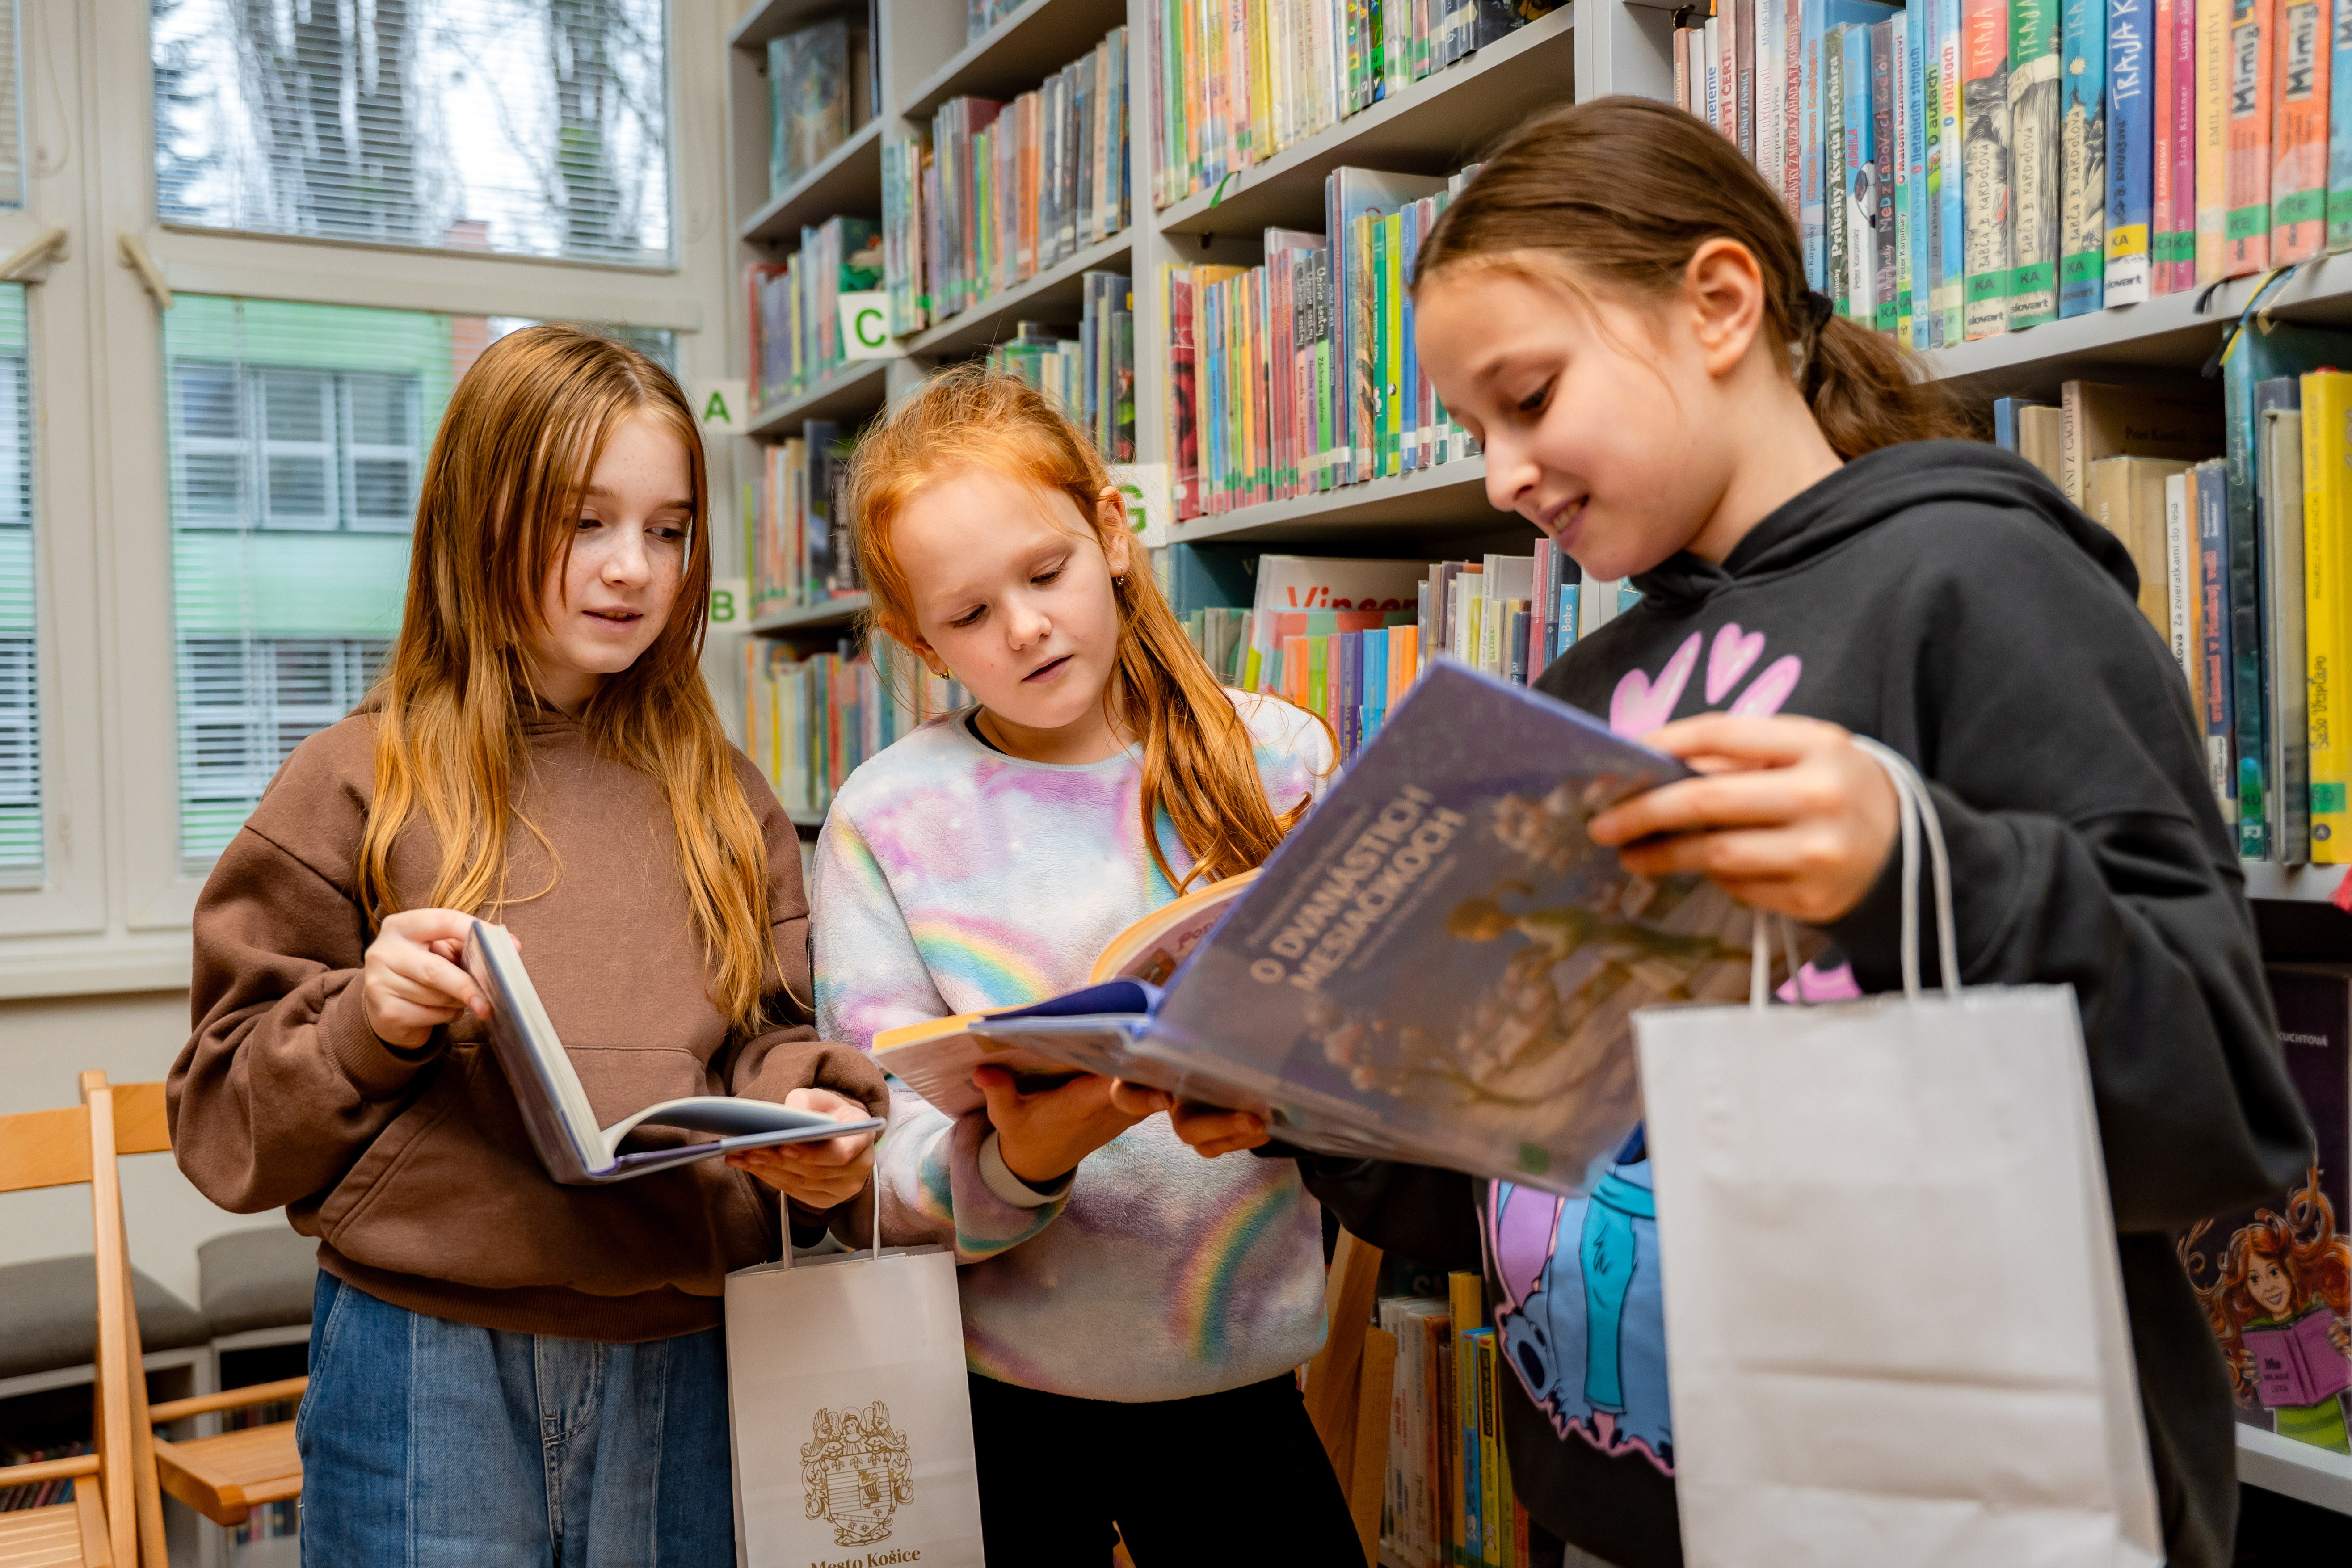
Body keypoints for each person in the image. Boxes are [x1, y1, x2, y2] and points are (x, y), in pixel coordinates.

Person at [1162, 97, 2316, 1568]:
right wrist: (1310, 1105)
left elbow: (2215, 1102)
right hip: (1620, 1509)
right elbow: (1526, 1185)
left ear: (1719, 302)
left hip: (1946, 1519)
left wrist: (1913, 870)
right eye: (1474, 432)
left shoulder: (1977, 586)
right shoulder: (1582, 694)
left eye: (1530, 398)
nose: (1503, 474)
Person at [168, 325, 886, 1566]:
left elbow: (769, 1034)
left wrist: (807, 1118)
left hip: (685, 1355)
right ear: (476, 522)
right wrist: (366, 1023)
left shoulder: (727, 797)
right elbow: (222, 1118)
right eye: (583, 522)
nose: (633, 568)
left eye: (669, 530)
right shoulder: (353, 780)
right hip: (424, 1362)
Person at [808, 365, 1359, 1565]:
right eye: (969, 615)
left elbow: (1370, 1052)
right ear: (917, 640)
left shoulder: (1278, 757)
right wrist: (1026, 1157)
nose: (1024, 628)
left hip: (1239, 1389)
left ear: (1111, 533)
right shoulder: (885, 818)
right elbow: (875, 1170)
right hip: (994, 1408)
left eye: (1046, 572)